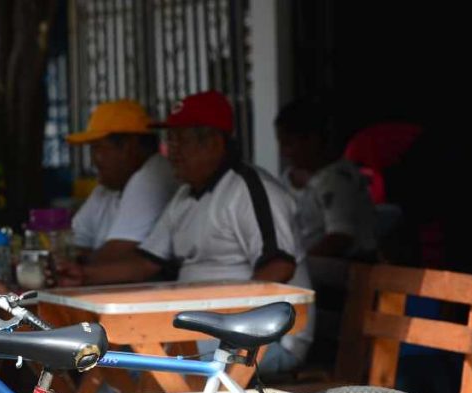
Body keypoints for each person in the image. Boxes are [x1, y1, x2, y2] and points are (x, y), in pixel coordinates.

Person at [139, 91, 314, 373]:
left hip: (266, 340)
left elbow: (279, 267)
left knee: (140, 369)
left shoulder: (249, 189)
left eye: (181, 140)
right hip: (207, 332)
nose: (172, 151)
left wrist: (226, 321)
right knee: (120, 355)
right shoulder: (186, 195)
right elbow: (146, 262)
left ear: (214, 143)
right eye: (170, 140)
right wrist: (82, 275)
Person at [60, 100, 178, 285]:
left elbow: (117, 255)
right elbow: (70, 244)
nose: (94, 160)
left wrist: (77, 264)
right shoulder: (108, 187)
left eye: (98, 148)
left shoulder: (154, 173)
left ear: (129, 147)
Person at [275, 98, 377, 292]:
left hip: (347, 270)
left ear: (312, 141)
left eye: (289, 144)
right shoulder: (288, 178)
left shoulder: (337, 179)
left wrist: (296, 263)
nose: (284, 152)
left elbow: (340, 239)